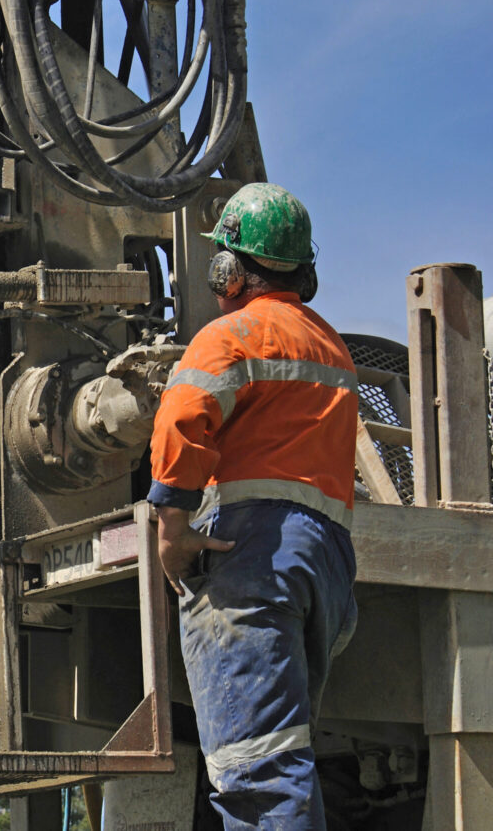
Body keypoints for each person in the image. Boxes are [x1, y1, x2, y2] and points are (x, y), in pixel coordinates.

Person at [146, 183, 359, 828]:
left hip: (251, 556)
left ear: (230, 271)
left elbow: (182, 418)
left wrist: (172, 527)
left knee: (258, 773)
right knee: (285, 754)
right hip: (324, 559)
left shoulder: (231, 334)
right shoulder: (332, 348)